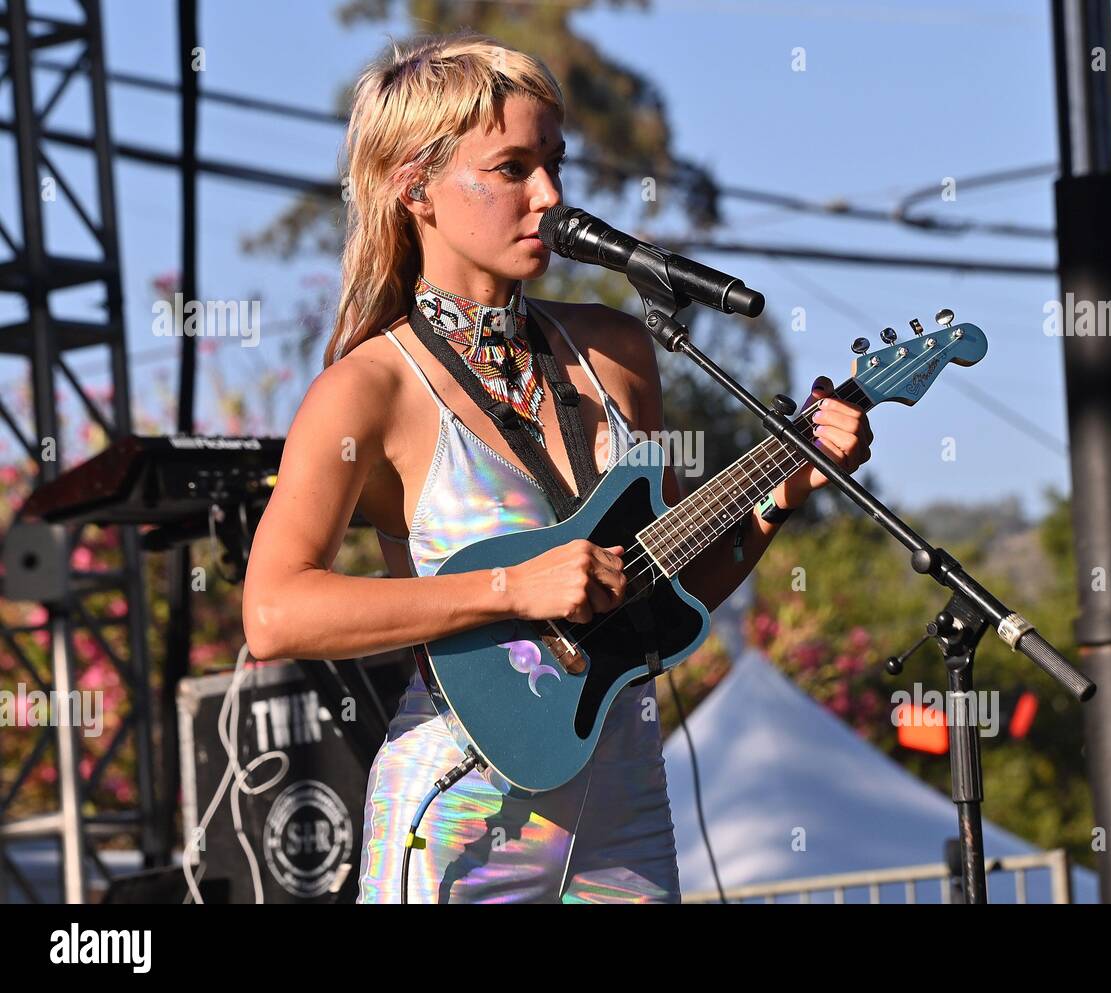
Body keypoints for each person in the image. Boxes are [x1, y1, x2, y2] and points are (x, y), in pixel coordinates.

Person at [241, 31, 872, 904]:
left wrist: (779, 496)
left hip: (626, 815)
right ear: (413, 186)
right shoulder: (367, 389)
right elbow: (274, 611)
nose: (549, 195)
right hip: (458, 816)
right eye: (510, 169)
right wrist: (513, 588)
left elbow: (666, 597)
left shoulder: (615, 352)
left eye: (555, 163)